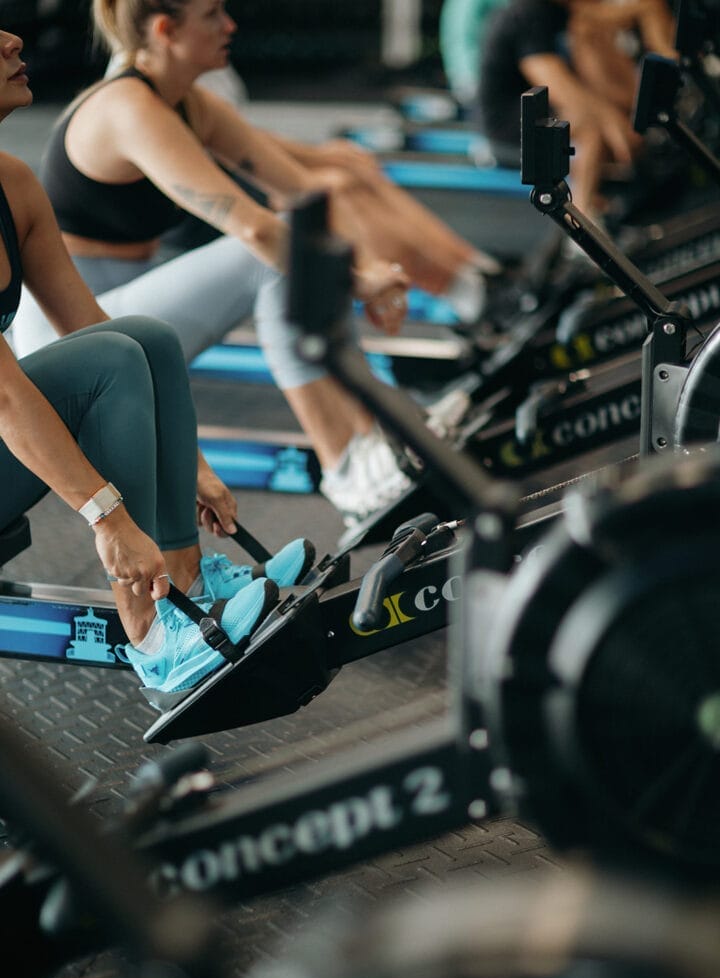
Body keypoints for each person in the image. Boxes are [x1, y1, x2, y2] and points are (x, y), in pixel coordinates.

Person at [12, 0, 499, 534]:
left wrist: (374, 267)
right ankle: (348, 473)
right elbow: (253, 228)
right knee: (268, 258)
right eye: (214, 15)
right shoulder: (128, 108)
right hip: (70, 334)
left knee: (301, 236)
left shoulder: (188, 102)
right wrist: (360, 282)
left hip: (126, 304)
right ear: (165, 30)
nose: (231, 25)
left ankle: (377, 436)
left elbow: (303, 190)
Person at [0, 26, 315, 697]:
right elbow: (3, 396)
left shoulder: (13, 183)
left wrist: (186, 464)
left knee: (144, 336)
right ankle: (150, 634)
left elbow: (88, 322)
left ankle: (189, 579)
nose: (11, 39)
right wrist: (109, 521)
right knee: (112, 359)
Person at [477, 0, 677, 216]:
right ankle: (579, 222)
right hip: (508, 124)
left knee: (601, 121)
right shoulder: (528, 13)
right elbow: (557, 86)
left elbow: (615, 91)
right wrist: (612, 121)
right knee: (589, 129)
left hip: (546, 110)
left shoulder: (570, 15)